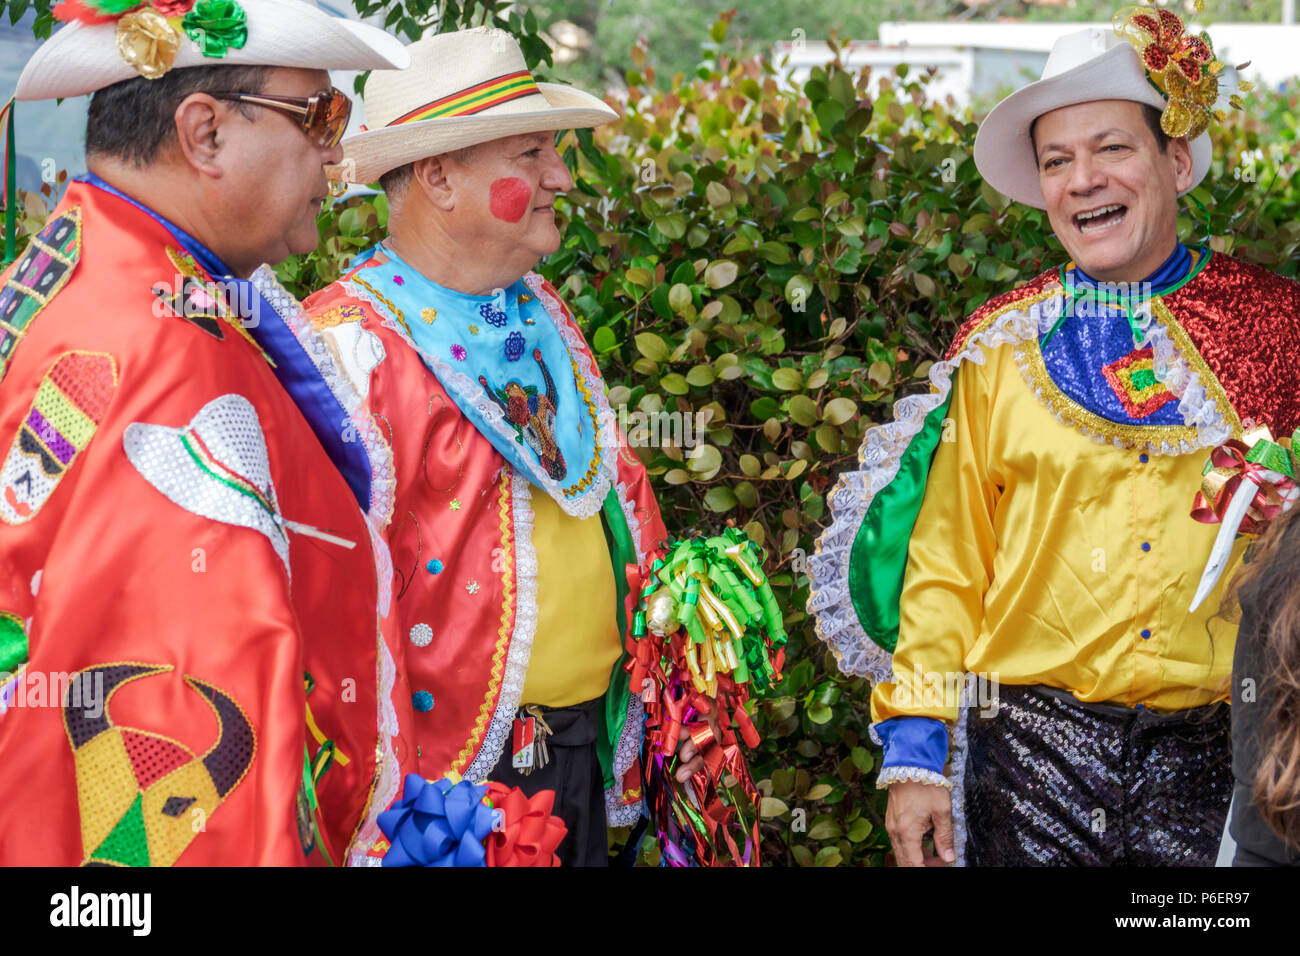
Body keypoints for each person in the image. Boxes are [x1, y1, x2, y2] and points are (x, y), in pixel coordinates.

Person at [808, 16, 1300, 866]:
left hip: (1224, 765)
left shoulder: (1276, 332)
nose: (1083, 181)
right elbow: (946, 566)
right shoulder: (1003, 350)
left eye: (1110, 148)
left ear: (1175, 162)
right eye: (1056, 162)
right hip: (1029, 761)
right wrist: (916, 754)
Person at [304, 27, 732, 866]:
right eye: (532, 152)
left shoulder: (539, 311)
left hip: (579, 749)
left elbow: (613, 492)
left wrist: (675, 687)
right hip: (444, 795)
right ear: (437, 175)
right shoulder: (351, 349)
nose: (561, 178)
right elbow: (327, 603)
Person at [0, 0, 410, 866]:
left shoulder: (87, 276)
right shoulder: (160, 353)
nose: (335, 153)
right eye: (320, 114)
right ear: (204, 133)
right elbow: (187, 699)